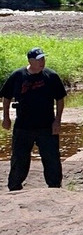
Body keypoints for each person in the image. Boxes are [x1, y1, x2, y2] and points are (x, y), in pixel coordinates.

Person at [2, 47, 66, 191]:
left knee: (52, 158)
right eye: (39, 59)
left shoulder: (51, 76)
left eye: (43, 58)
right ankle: (14, 187)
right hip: (23, 126)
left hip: (47, 126)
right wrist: (5, 117)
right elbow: (6, 97)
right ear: (31, 61)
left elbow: (60, 99)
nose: (42, 62)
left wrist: (57, 121)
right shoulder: (18, 75)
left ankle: (55, 186)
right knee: (19, 158)